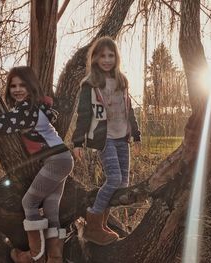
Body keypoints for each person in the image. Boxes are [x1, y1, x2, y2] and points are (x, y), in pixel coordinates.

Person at [0, 66, 73, 263]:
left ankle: (35, 256)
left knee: (29, 202)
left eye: (22, 84)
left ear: (31, 86)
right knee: (50, 208)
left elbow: (1, 125)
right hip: (62, 159)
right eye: (13, 85)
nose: (17, 89)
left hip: (57, 160)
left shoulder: (27, 110)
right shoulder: (34, 108)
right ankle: (55, 258)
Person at [71, 36, 141, 246]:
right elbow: (83, 115)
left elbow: (129, 111)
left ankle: (101, 223)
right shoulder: (90, 85)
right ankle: (92, 224)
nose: (107, 59)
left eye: (111, 55)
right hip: (105, 139)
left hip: (123, 137)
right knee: (114, 178)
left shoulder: (122, 81)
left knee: (123, 183)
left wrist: (136, 135)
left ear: (116, 58)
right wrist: (77, 142)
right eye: (102, 56)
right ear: (95, 58)